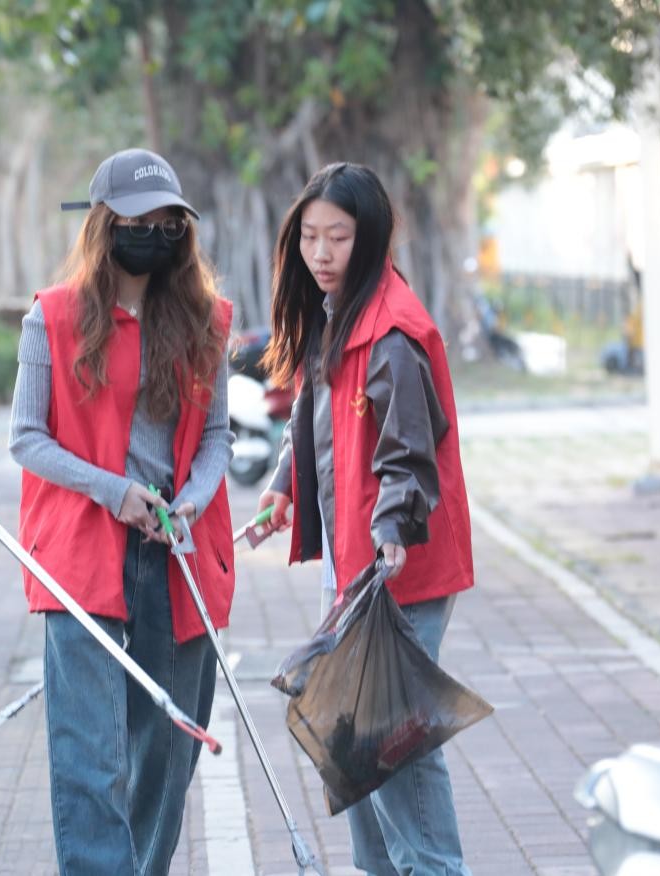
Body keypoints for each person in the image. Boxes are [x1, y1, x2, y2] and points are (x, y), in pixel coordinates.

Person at [9, 147, 235, 876]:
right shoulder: (52, 318)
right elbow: (26, 437)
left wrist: (192, 499)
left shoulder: (206, 320)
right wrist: (114, 491)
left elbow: (219, 436)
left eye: (170, 226)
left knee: (168, 744)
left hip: (176, 551)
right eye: (140, 224)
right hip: (83, 552)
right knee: (91, 749)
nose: (155, 237)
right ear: (104, 225)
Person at [256, 162, 475, 875]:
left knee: (391, 743)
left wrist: (389, 531)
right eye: (309, 237)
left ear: (371, 237)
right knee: (356, 744)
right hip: (354, 566)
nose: (320, 253)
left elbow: (409, 452)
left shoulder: (392, 331)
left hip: (397, 568)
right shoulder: (337, 313)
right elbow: (313, 410)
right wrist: (285, 483)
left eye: (339, 237)